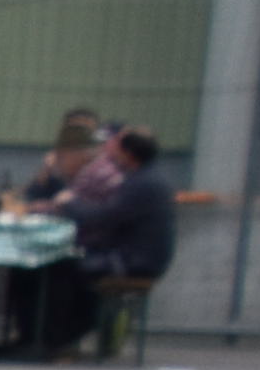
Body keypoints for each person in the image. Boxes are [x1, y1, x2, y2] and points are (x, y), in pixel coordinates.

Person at [41, 125, 175, 356]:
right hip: (136, 256)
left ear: (129, 155)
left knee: (59, 268)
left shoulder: (140, 184)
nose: (111, 153)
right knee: (67, 265)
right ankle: (59, 337)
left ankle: (57, 339)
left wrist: (68, 203)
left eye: (117, 149)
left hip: (132, 261)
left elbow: (102, 217)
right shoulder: (148, 179)